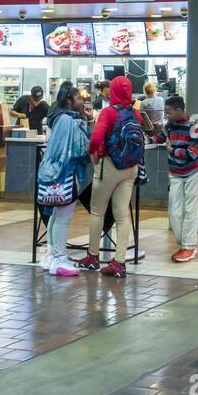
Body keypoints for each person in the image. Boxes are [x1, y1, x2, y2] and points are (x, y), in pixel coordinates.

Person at [76, 76, 145, 277]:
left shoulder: (108, 112)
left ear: (112, 91)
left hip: (110, 167)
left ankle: (92, 257)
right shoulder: (136, 114)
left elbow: (96, 137)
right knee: (122, 215)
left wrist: (92, 152)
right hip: (130, 168)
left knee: (97, 212)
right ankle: (119, 262)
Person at [37, 82, 92, 277]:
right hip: (66, 172)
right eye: (78, 98)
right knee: (63, 217)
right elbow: (79, 148)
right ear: (69, 100)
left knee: (55, 215)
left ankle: (53, 255)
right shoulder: (68, 121)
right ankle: (60, 259)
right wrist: (86, 124)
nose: (81, 101)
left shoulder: (57, 118)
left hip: (53, 172)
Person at [164, 94, 198, 263]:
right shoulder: (170, 126)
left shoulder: (195, 127)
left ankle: (189, 247)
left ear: (180, 110)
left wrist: (172, 151)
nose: (167, 116)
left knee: (190, 211)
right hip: (175, 173)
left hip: (193, 173)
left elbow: (192, 154)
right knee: (174, 211)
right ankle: (184, 244)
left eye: (169, 112)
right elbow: (159, 136)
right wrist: (146, 139)